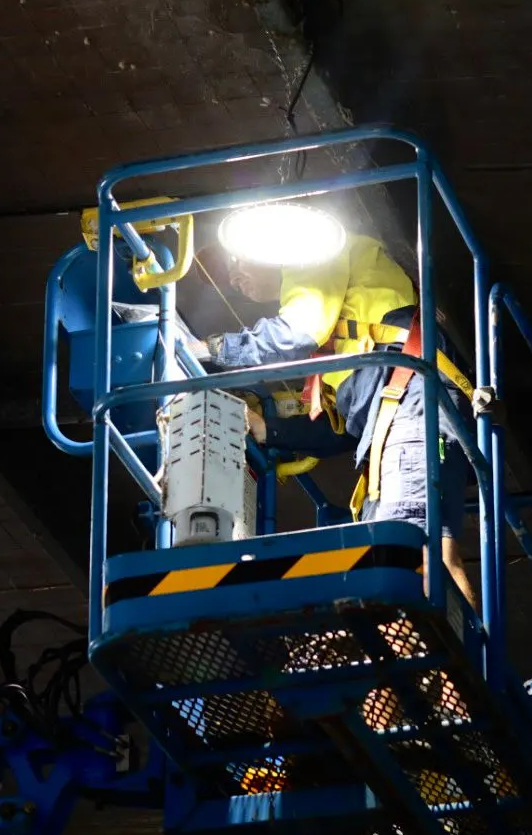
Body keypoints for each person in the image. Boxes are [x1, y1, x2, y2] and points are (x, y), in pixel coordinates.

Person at [189, 231, 477, 608]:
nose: (234, 277)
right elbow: (343, 431)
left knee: (415, 552)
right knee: (403, 554)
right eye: (228, 276)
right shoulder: (346, 343)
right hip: (404, 416)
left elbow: (294, 335)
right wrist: (268, 429)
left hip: (413, 409)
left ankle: (439, 645)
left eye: (235, 261)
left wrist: (206, 350)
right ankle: (425, 643)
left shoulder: (312, 248)